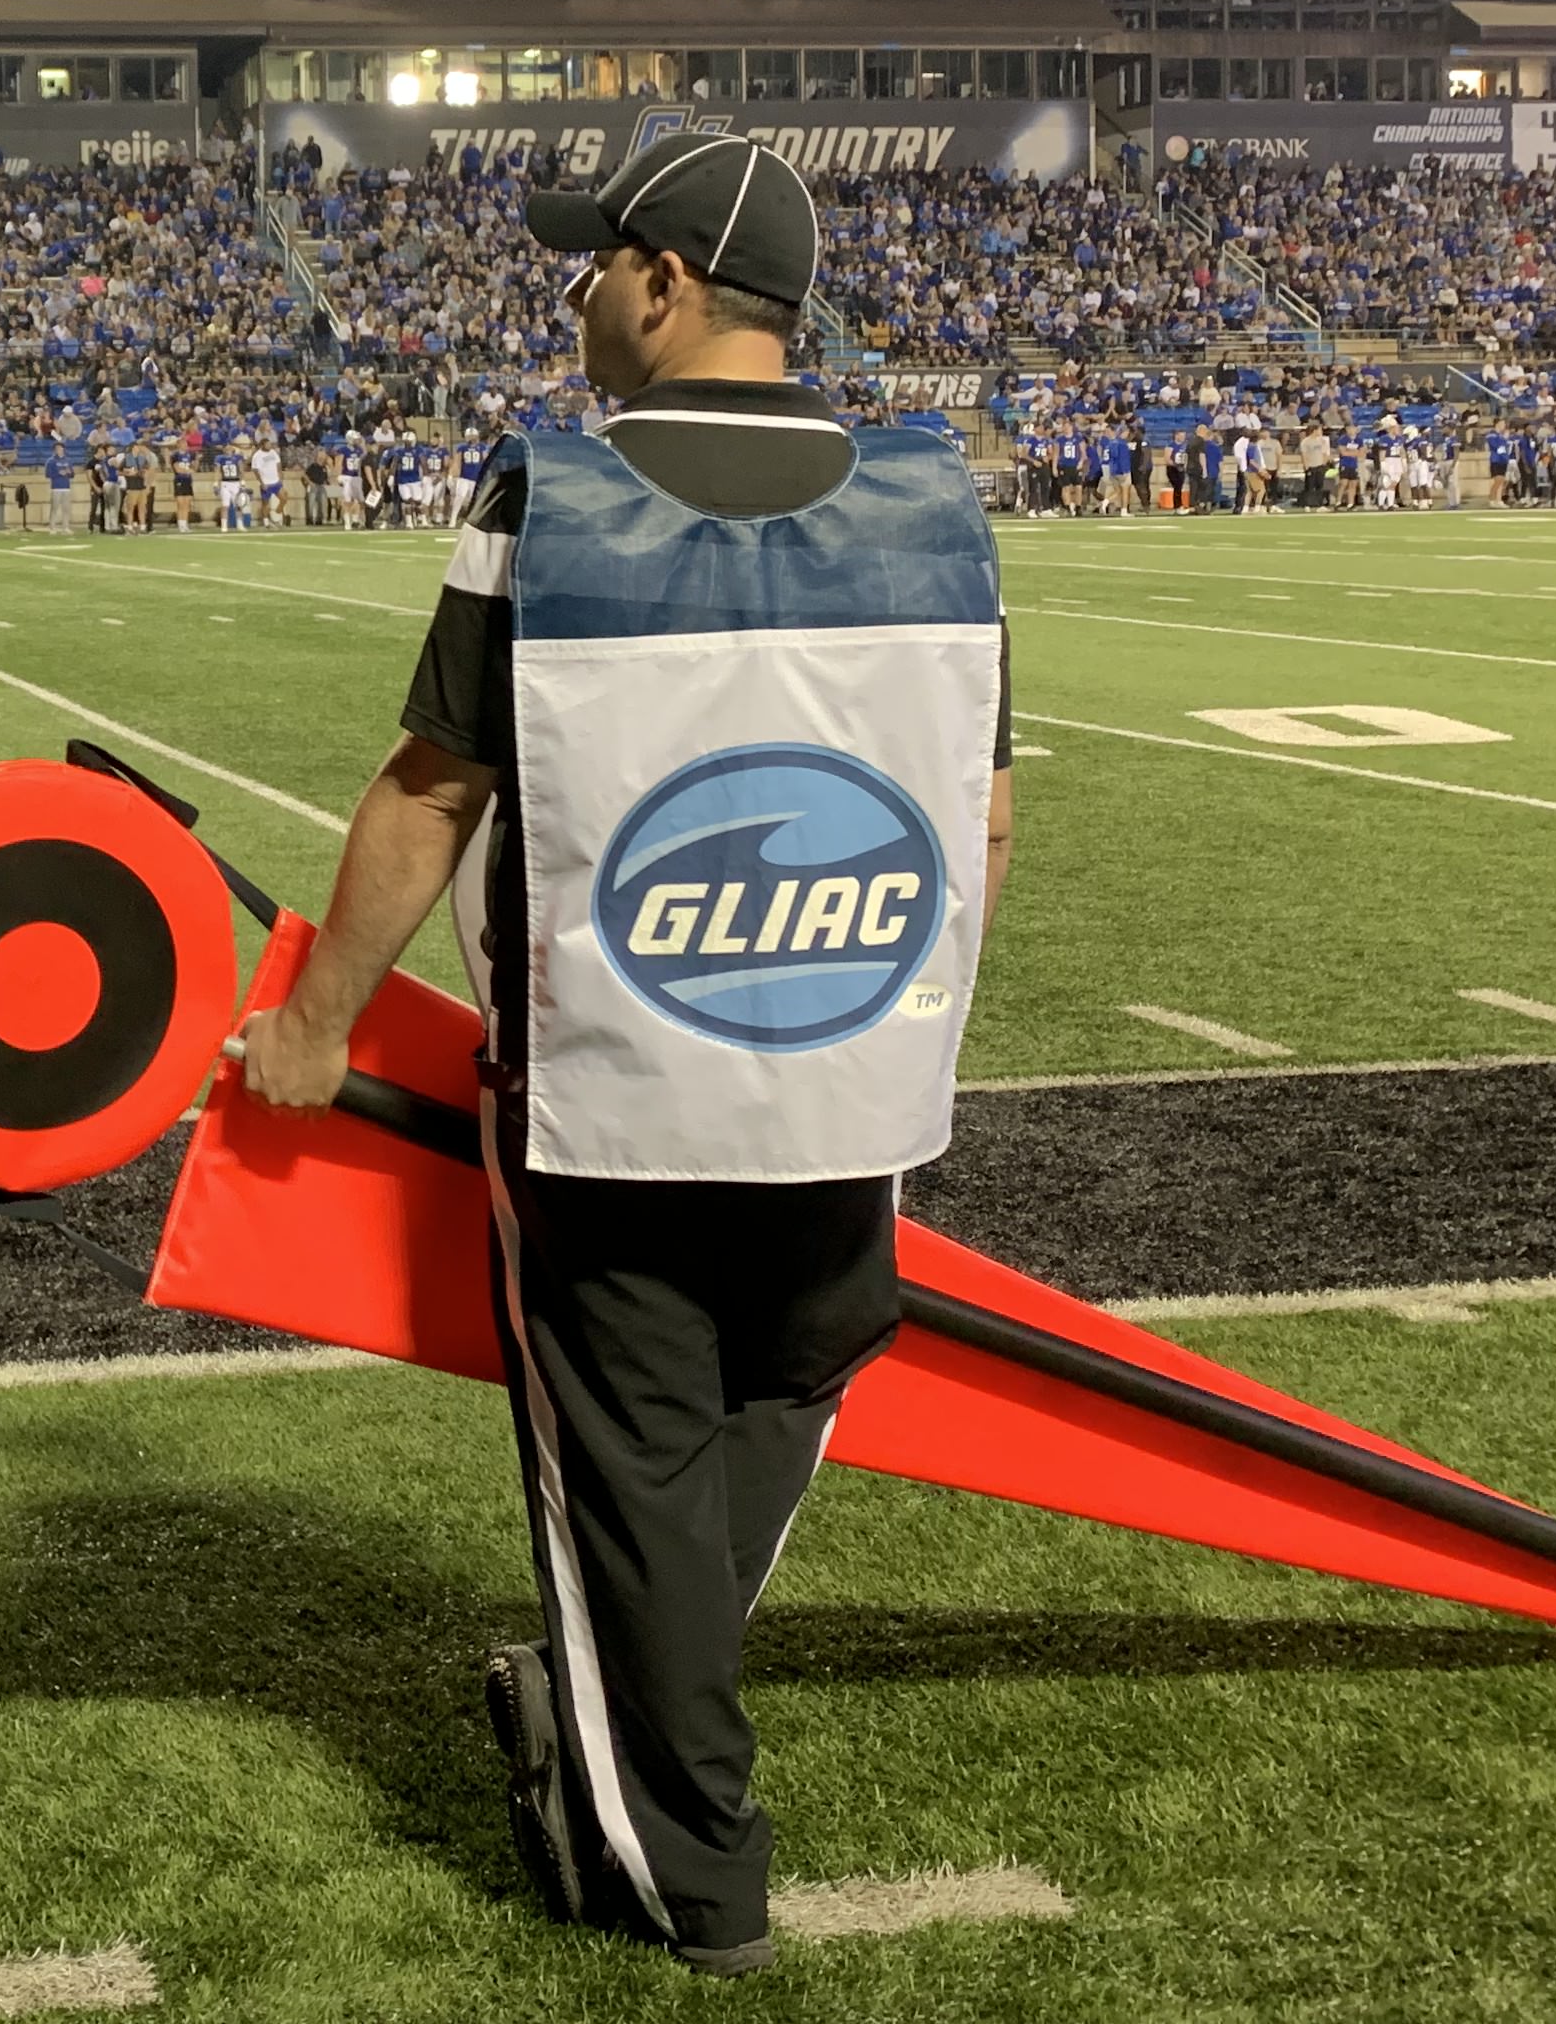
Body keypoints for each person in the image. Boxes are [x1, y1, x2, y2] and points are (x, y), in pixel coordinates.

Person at [238, 132, 1012, 1977]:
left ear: (668, 278)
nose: (575, 289)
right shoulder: (934, 495)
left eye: (596, 262)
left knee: (631, 1454)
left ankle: (688, 1864)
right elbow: (973, 814)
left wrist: (319, 1014)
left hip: (609, 1083)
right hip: (845, 1059)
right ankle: (630, 1680)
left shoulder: (547, 489)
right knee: (799, 1364)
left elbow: (434, 786)